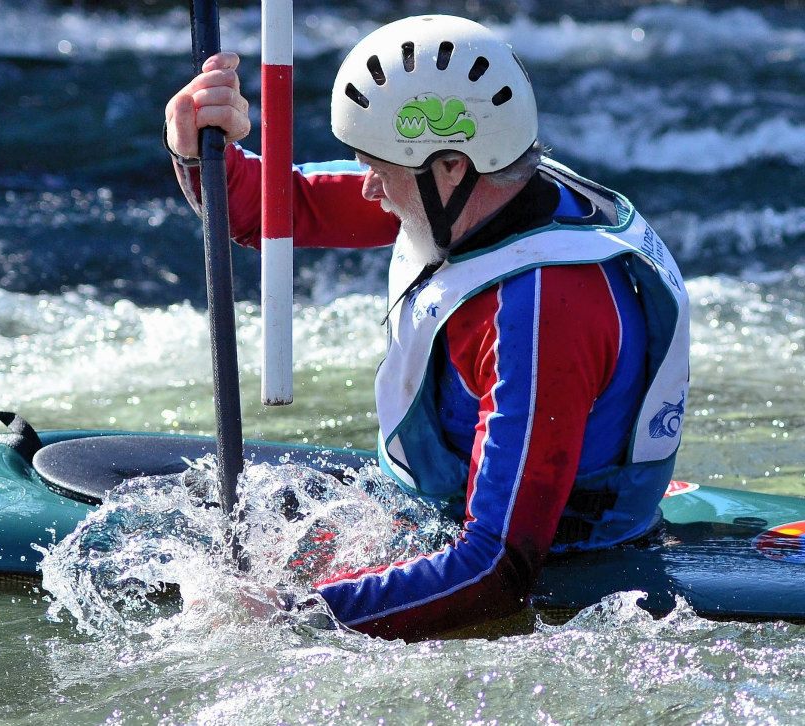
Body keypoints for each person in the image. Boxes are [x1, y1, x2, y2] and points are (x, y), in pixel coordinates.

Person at [164, 15, 690, 641]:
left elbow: (498, 568)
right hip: (433, 508)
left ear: (447, 168)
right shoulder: (480, 199)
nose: (366, 189)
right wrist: (198, 147)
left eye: (377, 168)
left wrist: (293, 622)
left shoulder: (542, 312)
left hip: (561, 558)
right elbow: (276, 211)